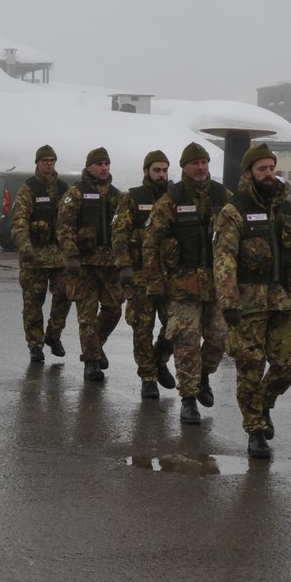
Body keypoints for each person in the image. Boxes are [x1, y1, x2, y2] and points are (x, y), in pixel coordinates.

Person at [212, 143, 291, 460]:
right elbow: (224, 260)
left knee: (288, 364)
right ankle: (255, 429)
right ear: (248, 173)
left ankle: (263, 402)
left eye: (272, 168)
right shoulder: (234, 212)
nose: (269, 174)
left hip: (282, 302)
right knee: (250, 367)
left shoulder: (288, 209)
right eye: (262, 169)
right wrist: (229, 301)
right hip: (247, 305)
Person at [142, 142, 230, 426]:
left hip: (216, 285)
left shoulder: (222, 196)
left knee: (218, 338)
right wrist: (155, 285)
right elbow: (151, 245)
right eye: (195, 163)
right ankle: (188, 399)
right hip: (182, 285)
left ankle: (203, 376)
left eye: (204, 162)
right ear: (184, 168)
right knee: (186, 343)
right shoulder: (170, 200)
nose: (201, 168)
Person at [57, 147, 128, 383]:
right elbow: (65, 227)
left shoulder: (118, 197)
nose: (104, 167)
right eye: (99, 164)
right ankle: (91, 362)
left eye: (107, 163)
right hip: (84, 265)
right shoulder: (75, 194)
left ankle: (96, 346)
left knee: (114, 310)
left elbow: (124, 230)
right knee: (87, 316)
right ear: (88, 167)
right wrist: (71, 256)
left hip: (109, 266)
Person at [111, 150, 176, 399]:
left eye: (164, 170)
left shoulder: (174, 197)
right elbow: (120, 233)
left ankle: (160, 360)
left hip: (169, 275)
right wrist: (124, 264)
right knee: (142, 327)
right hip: (140, 275)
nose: (161, 174)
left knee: (174, 325)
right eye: (156, 170)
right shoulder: (132, 198)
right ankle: (147, 376)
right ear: (146, 171)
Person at [10, 145, 73, 363]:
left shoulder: (64, 188)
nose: (48, 164)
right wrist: (25, 247)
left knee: (65, 296)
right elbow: (19, 221)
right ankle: (35, 345)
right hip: (34, 258)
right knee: (33, 303)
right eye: (44, 160)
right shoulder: (29, 189)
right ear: (37, 163)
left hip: (58, 257)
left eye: (51, 160)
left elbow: (71, 219)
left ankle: (53, 335)